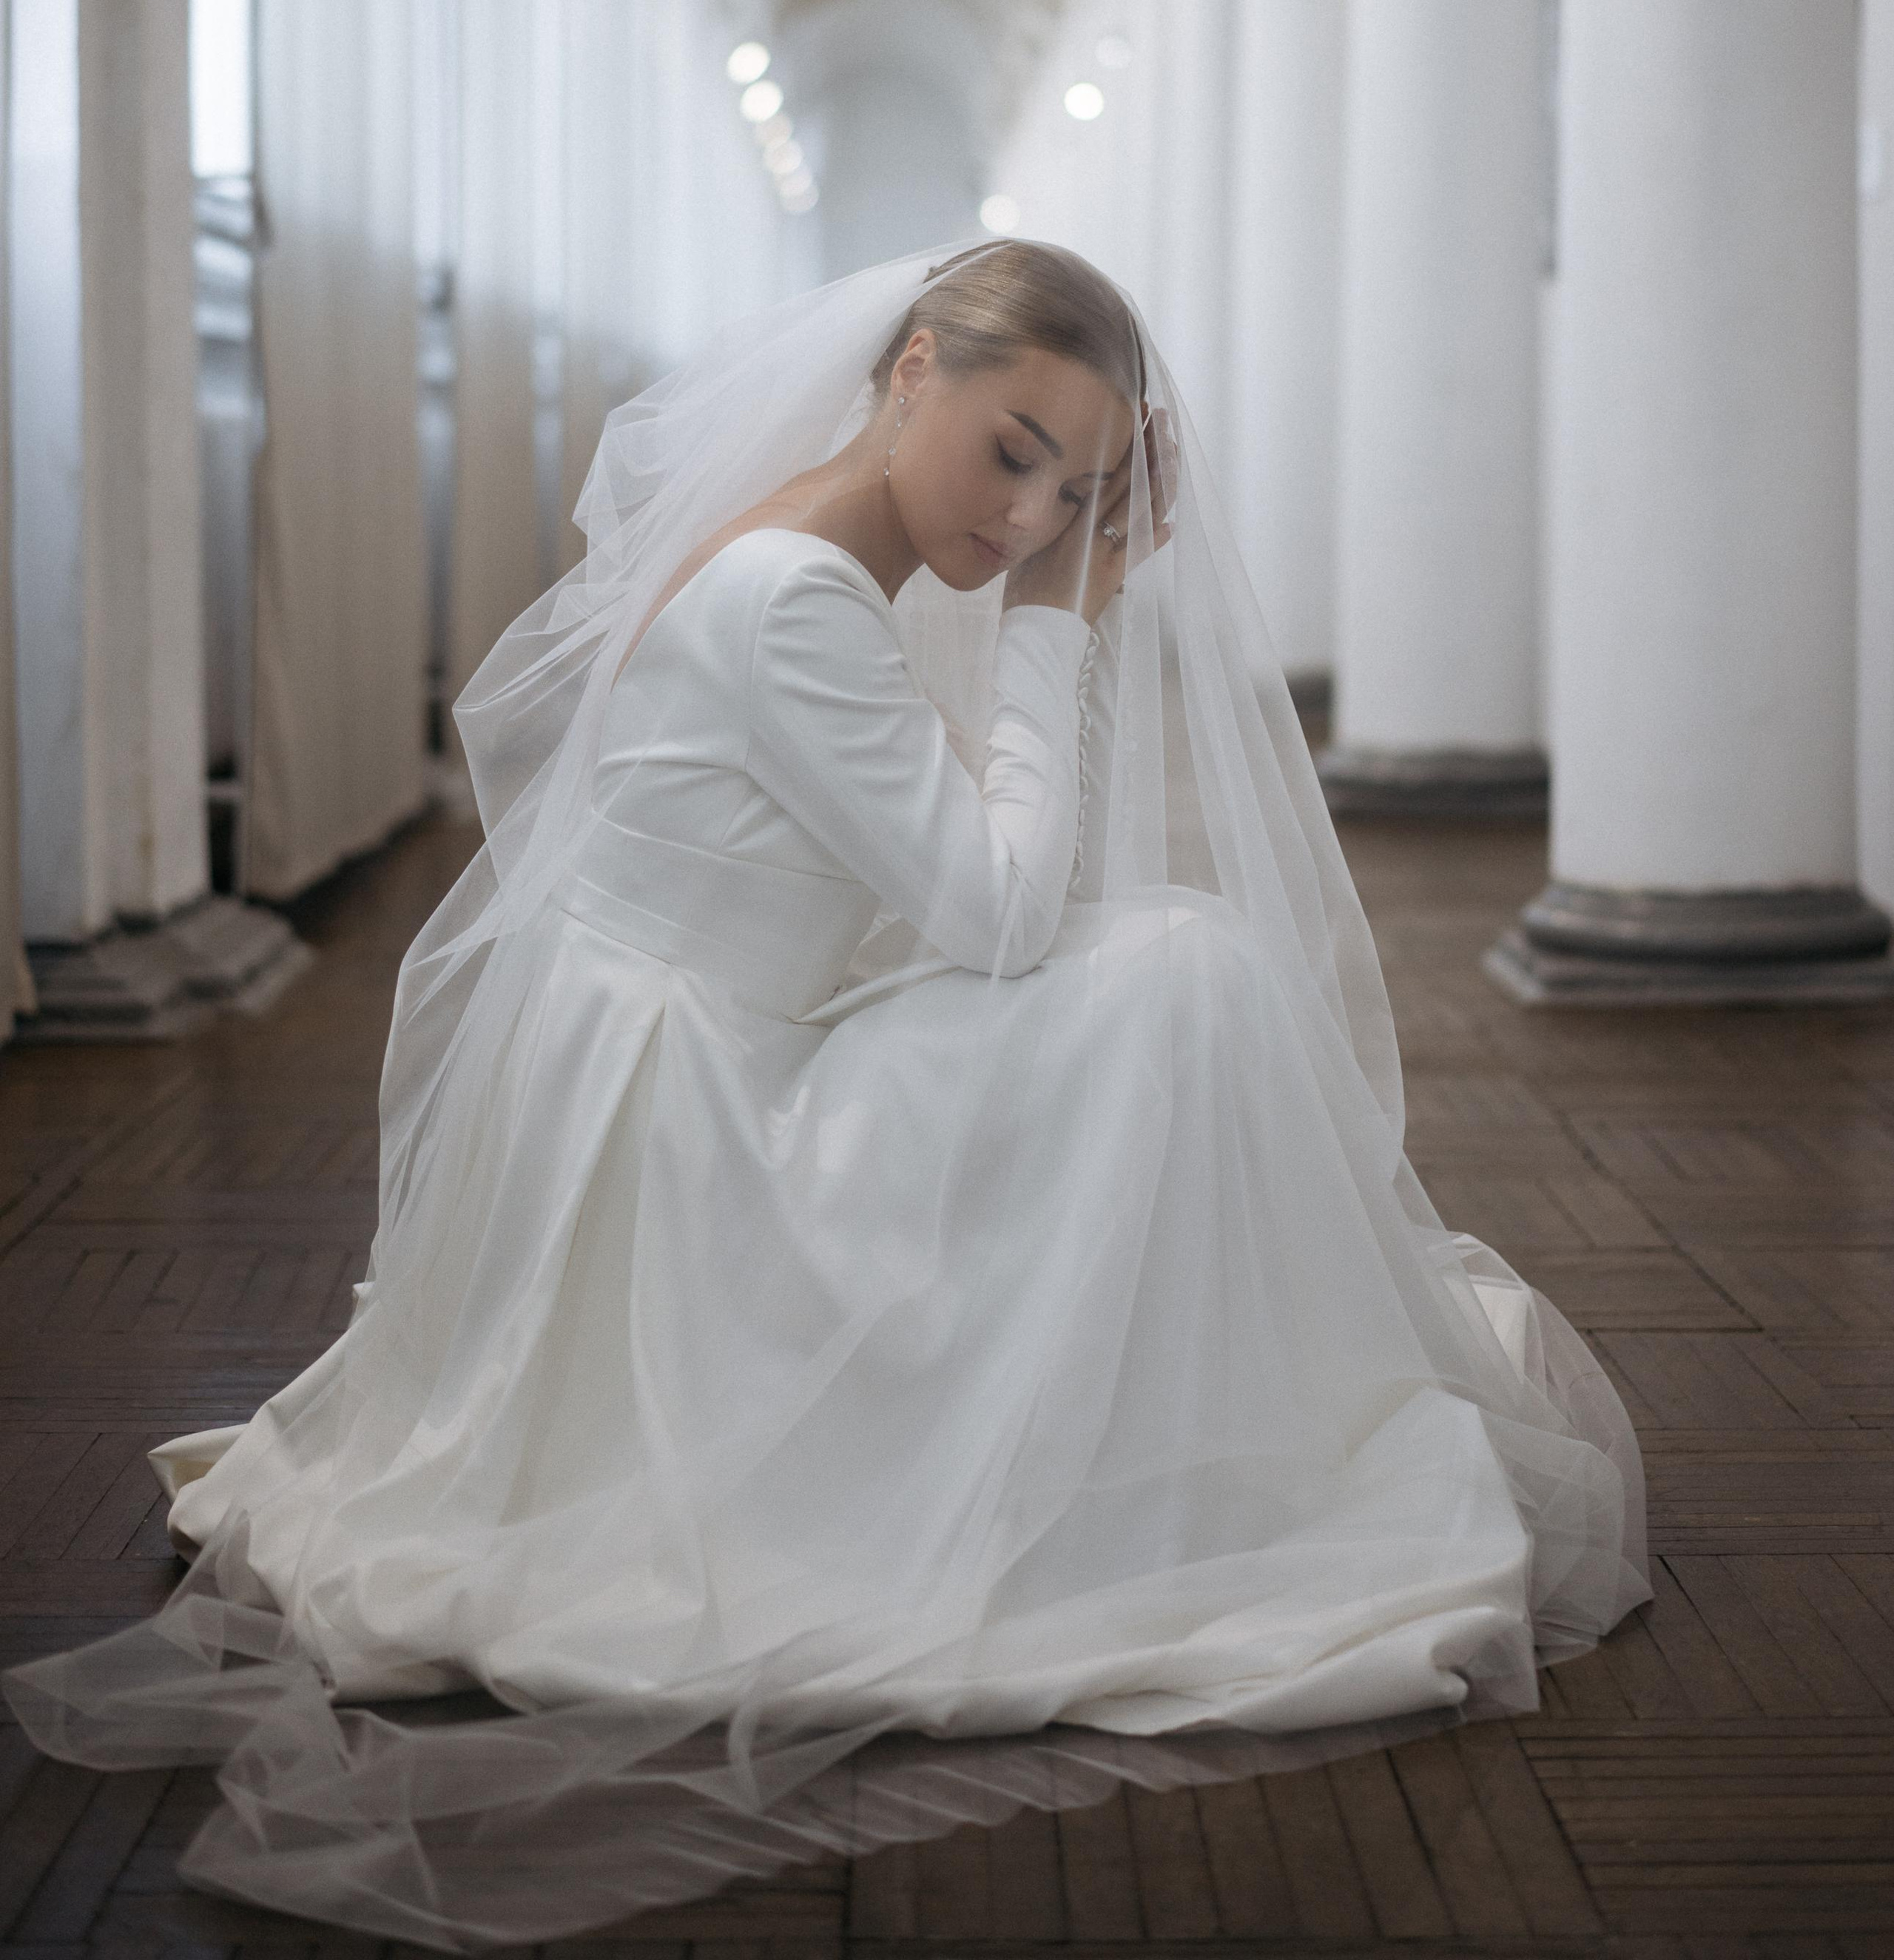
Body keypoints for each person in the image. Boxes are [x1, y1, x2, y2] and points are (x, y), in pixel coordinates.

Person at [4, 238, 1649, 1950]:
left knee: (1172, 972)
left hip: (700, 1055)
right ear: (910, 366)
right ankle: (1191, 1443)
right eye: (1012, 450)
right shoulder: (795, 597)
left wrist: (1044, 629)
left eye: (1077, 492)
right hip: (697, 1127)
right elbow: (1011, 912)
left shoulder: (813, 547)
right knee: (1187, 975)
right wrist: (1050, 630)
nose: (1028, 520)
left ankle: (1160, 1416)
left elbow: (1001, 892)